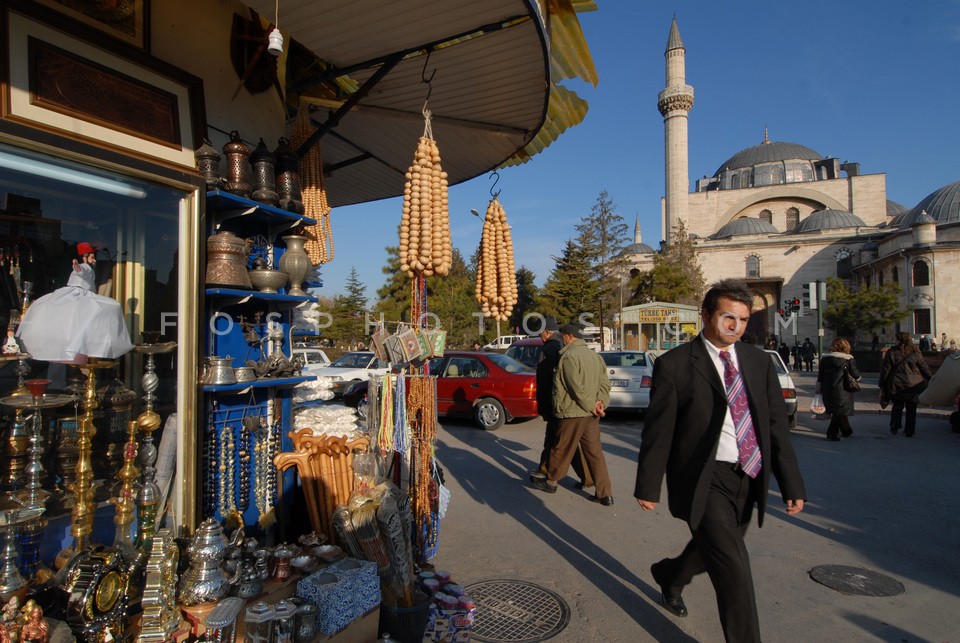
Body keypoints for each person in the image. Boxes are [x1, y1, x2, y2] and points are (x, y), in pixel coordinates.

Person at [634, 278, 806, 642]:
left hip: (748, 476)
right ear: (706, 316)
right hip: (703, 479)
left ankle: (670, 575)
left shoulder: (758, 362)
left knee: (711, 550)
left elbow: (775, 425)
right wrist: (648, 485)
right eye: (729, 317)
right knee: (735, 571)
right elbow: (659, 430)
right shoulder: (676, 364)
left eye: (743, 320)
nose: (736, 327)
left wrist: (791, 482)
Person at [530, 322, 613, 505]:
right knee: (595, 453)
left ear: (569, 336)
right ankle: (605, 493)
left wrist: (591, 405)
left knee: (561, 447)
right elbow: (605, 384)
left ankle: (551, 482)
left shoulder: (569, 357)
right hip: (591, 415)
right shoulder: (595, 356)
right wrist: (600, 404)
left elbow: (574, 387)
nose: (563, 340)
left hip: (573, 411)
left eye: (564, 336)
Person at [16, 242, 132, 363]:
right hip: (79, 294)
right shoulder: (85, 267)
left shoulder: (88, 267)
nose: (94, 260)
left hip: (80, 295)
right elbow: (81, 271)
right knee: (112, 306)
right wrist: (77, 266)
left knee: (76, 321)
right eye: (92, 257)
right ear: (84, 257)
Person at [529, 317, 593, 489]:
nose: (539, 335)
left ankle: (551, 477)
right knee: (559, 442)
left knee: (560, 443)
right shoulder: (557, 345)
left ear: (547, 331)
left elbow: (554, 380)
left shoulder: (552, 347)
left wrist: (549, 404)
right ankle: (547, 470)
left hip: (557, 404)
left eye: (541, 332)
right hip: (558, 403)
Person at [879, 332, 932, 437]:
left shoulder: (892, 352)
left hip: (897, 383)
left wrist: (882, 383)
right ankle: (909, 430)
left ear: (898, 340)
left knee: (897, 405)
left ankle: (895, 423)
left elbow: (886, 369)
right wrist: (931, 378)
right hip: (913, 383)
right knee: (912, 407)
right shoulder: (915, 352)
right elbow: (924, 367)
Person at [816, 337, 861, 441]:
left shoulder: (825, 359)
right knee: (839, 412)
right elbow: (855, 374)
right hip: (843, 389)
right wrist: (859, 378)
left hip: (827, 389)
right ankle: (832, 433)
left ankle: (846, 430)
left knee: (838, 411)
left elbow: (820, 376)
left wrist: (819, 388)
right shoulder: (848, 359)